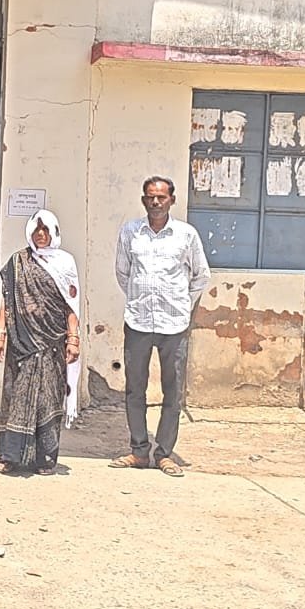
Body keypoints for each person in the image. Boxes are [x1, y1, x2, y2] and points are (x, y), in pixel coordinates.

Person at [109, 176, 210, 478]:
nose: (155, 202)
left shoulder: (186, 235)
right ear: (143, 200)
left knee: (172, 392)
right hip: (138, 322)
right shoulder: (130, 232)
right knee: (134, 390)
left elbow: (201, 275)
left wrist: (182, 303)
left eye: (161, 197)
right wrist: (138, 298)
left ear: (172, 200)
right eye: (150, 197)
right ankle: (139, 451)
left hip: (173, 325)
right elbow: (123, 272)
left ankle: (164, 454)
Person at [0, 210, 81, 475]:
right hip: (21, 344)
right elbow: (7, 302)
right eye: (36, 230)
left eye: (45, 230)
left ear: (54, 232)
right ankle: (10, 456)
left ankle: (45, 458)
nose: (41, 234)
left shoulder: (65, 263)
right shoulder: (17, 262)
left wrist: (73, 339)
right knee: (16, 397)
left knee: (48, 399)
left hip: (53, 343)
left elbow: (71, 305)